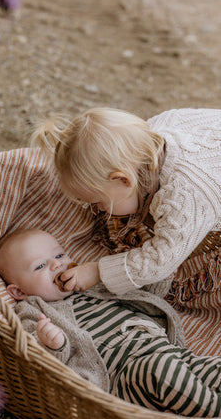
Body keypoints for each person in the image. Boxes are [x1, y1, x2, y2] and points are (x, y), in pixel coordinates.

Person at [0, 228, 221, 417]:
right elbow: (34, 356)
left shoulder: (91, 281)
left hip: (171, 352)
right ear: (19, 291)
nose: (57, 266)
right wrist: (53, 344)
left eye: (59, 255)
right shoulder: (34, 310)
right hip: (126, 375)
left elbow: (145, 295)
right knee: (161, 372)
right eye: (40, 266)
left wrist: (162, 273)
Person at [29, 107, 221, 308]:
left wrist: (97, 272)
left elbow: (160, 260)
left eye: (99, 203)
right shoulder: (145, 135)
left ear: (123, 179)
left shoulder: (184, 198)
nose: (100, 210)